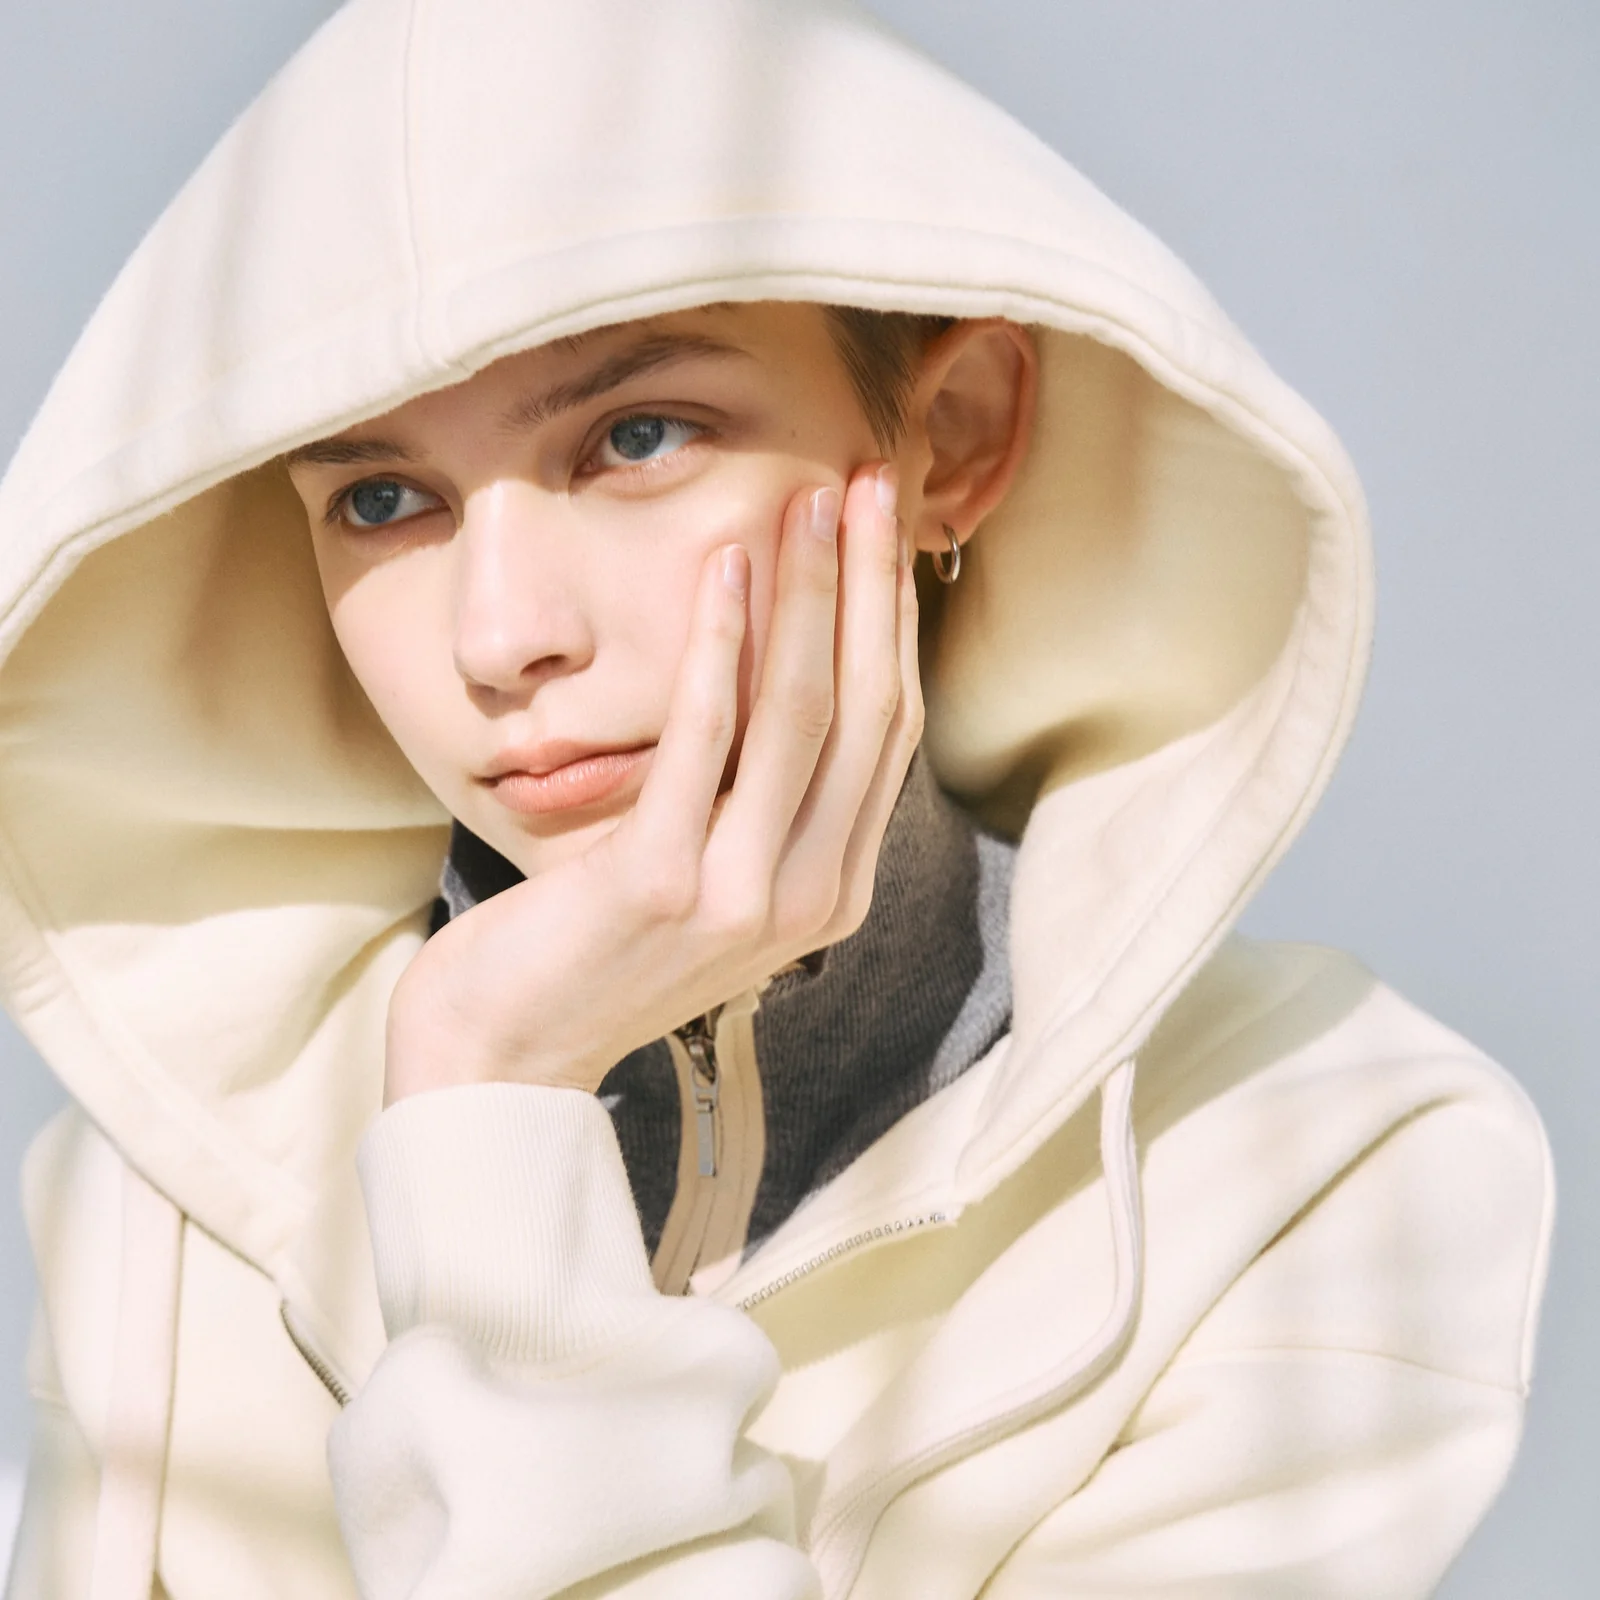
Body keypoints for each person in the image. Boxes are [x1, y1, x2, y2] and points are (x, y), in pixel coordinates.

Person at [0, 1, 1553, 1596]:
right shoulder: (162, 1196)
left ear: (953, 437)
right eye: (383, 499)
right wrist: (473, 1099)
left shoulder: (1326, 1163)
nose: (500, 634)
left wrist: (497, 1110)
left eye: (637, 437)